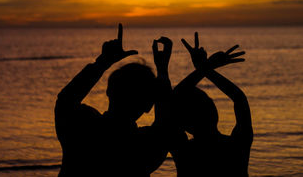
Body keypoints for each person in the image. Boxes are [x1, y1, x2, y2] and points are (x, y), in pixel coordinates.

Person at [55, 24, 174, 176]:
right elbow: (166, 123)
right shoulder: (145, 146)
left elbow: (65, 100)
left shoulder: (81, 125)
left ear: (108, 91)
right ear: (149, 105)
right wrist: (163, 71)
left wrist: (103, 62)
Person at [171, 32, 253, 177]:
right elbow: (240, 99)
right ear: (214, 112)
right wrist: (206, 69)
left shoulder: (183, 151)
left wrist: (203, 69)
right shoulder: (237, 146)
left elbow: (171, 101)